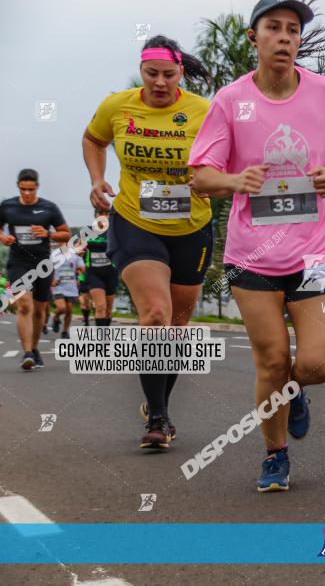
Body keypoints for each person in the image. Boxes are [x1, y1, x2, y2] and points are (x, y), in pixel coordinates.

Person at [189, 0, 325, 492]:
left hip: (316, 251)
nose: (284, 37)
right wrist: (237, 180)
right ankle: (275, 455)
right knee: (270, 358)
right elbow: (200, 176)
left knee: (317, 363)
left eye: (293, 30)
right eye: (273, 28)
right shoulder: (229, 100)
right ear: (253, 37)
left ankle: (294, 391)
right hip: (251, 256)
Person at [82, 35, 213, 449]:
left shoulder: (202, 111)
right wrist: (97, 178)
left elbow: (224, 156)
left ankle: (157, 401)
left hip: (192, 226)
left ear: (181, 74)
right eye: (151, 73)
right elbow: (93, 139)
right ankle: (158, 419)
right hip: (136, 220)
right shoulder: (117, 106)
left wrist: (211, 178)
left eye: (168, 75)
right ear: (141, 70)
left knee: (176, 327)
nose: (159, 82)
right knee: (155, 314)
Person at [0, 169, 71, 370]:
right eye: (23, 189)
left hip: (42, 263)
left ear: (37, 187)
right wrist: (3, 238)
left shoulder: (49, 208)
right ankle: (27, 353)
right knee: (24, 305)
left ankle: (35, 347)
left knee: (40, 311)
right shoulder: (8, 206)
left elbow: (65, 234)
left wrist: (47, 234)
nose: (27, 193)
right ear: (18, 186)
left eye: (31, 189)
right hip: (18, 262)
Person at [83, 209, 119, 326]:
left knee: (108, 310)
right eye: (100, 213)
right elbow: (78, 246)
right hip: (93, 273)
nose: (103, 216)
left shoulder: (115, 231)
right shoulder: (88, 231)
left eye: (106, 213)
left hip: (111, 273)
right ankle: (101, 340)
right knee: (100, 306)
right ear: (96, 215)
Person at [50, 244, 85, 339]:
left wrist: (80, 269)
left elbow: (82, 268)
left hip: (71, 287)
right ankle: (56, 318)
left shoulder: (75, 256)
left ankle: (65, 331)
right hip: (58, 286)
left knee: (69, 310)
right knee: (62, 308)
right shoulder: (54, 255)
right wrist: (51, 280)